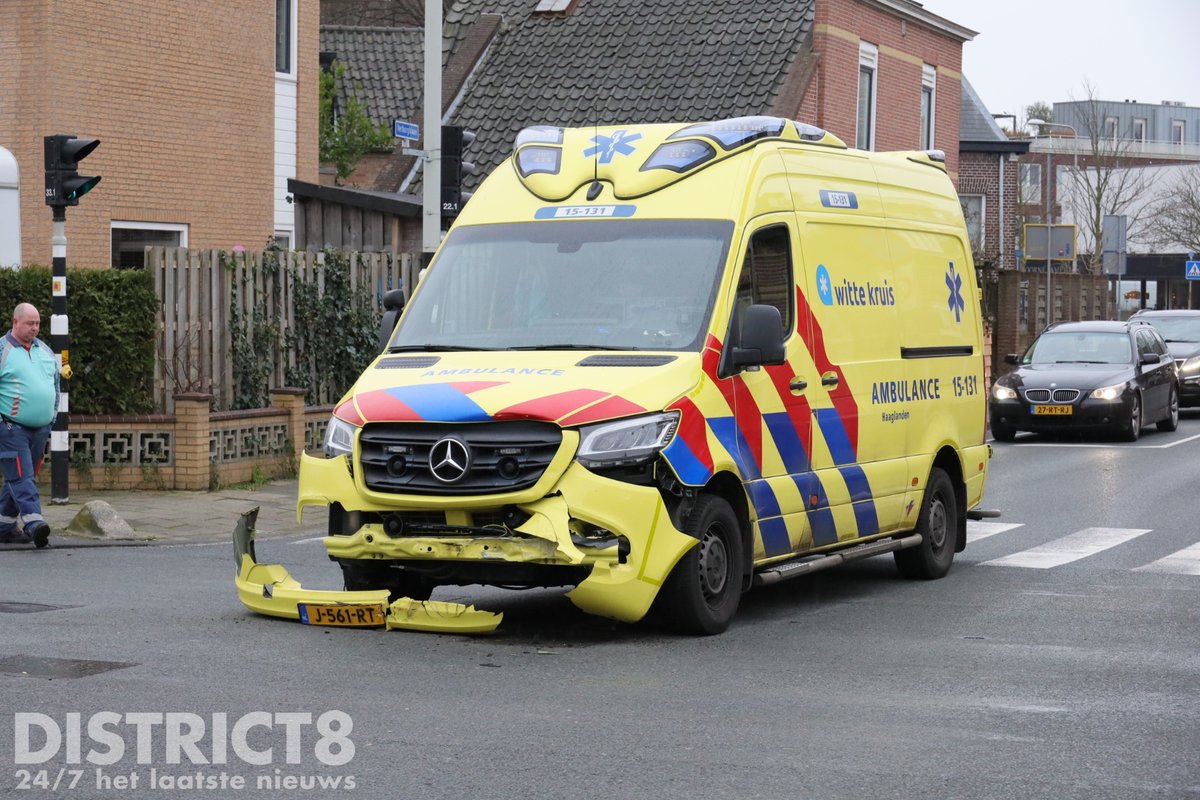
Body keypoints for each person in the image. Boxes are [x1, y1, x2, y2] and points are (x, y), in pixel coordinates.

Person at [0, 304, 59, 547]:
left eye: (37, 323)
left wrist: (51, 417)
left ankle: (3, 526)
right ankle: (35, 523)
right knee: (23, 476)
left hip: (40, 429)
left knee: (21, 476)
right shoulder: (2, 349)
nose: (35, 328)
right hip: (11, 427)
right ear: (15, 322)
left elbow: (54, 385)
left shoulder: (44, 349)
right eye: (29, 323)